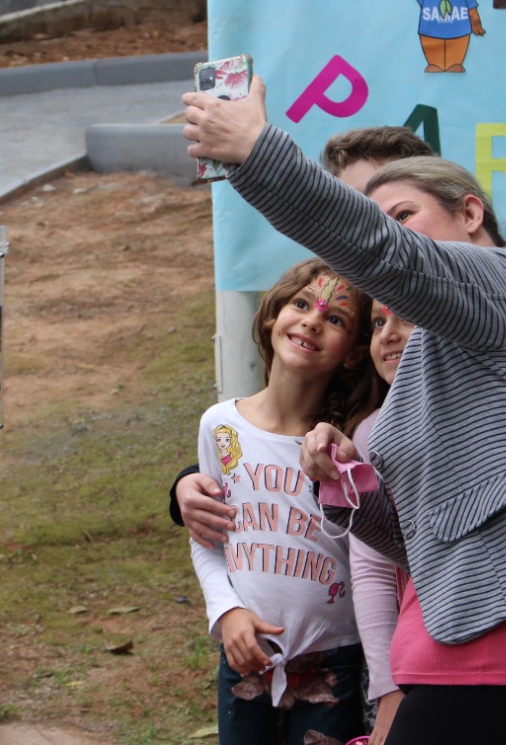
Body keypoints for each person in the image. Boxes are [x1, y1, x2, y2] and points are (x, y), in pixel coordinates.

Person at [182, 77, 506, 745]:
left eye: (401, 213)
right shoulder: (443, 353)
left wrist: (255, 150)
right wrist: (344, 483)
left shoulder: (500, 281)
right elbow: (423, 545)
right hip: (479, 642)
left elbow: (381, 252)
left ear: (470, 214)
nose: (384, 239)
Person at [169, 125, 436, 545]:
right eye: (354, 208)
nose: (371, 228)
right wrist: (192, 484)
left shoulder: (457, 315)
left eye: (395, 213)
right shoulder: (332, 296)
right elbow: (268, 438)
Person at [189, 257, 377, 745]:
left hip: (337, 657)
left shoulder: (348, 444)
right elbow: (207, 537)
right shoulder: (220, 426)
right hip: (247, 654)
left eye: (335, 319)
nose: (313, 319)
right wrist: (225, 612)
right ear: (273, 316)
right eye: (301, 303)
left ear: (354, 354)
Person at [347, 301, 415, 745]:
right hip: (412, 650)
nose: (387, 333)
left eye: (404, 316)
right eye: (377, 322)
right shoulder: (369, 434)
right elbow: (371, 567)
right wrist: (387, 687)